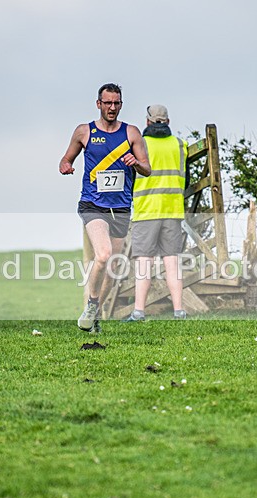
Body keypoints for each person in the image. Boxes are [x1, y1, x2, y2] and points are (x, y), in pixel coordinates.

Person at [59, 83, 151, 332]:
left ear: (121, 105)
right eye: (107, 103)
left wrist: (136, 163)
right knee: (103, 254)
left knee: (113, 266)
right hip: (92, 204)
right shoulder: (84, 132)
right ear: (98, 103)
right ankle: (91, 304)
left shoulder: (131, 133)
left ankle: (95, 311)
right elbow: (66, 158)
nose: (112, 108)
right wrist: (66, 165)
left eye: (116, 103)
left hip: (120, 207)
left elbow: (147, 169)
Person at [123, 104, 187, 322]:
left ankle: (139, 312)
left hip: (147, 209)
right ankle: (179, 311)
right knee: (172, 263)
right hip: (173, 209)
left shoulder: (140, 144)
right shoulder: (180, 145)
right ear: (168, 121)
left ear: (147, 121)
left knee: (144, 263)